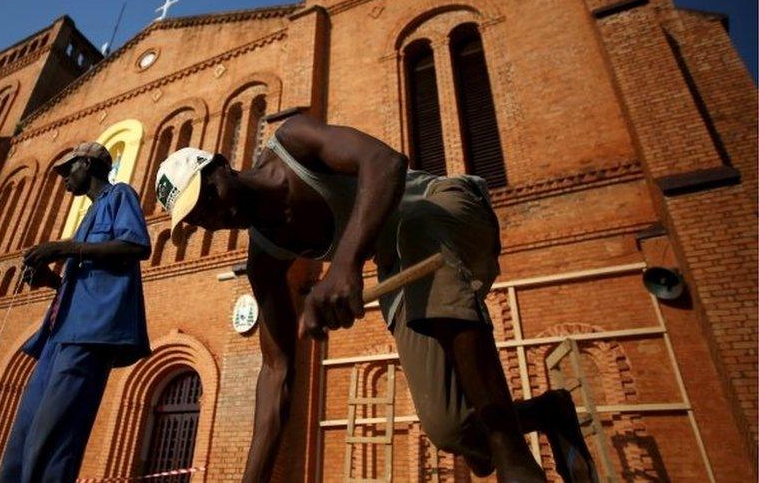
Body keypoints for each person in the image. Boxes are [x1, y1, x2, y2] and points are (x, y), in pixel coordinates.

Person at [155, 114, 597, 482]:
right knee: (452, 429)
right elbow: (275, 375)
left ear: (222, 165)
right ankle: (548, 413)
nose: (218, 213)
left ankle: (515, 462)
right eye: (202, 217)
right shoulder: (265, 262)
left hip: (446, 211)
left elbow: (385, 161)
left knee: (414, 229)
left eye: (210, 193)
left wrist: (344, 264)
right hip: (406, 270)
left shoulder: (292, 144)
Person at [0, 141, 151, 483]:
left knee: (55, 433)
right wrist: (50, 279)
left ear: (90, 164)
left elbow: (137, 245)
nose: (64, 177)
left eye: (70, 168)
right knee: (25, 431)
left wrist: (65, 247)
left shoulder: (119, 195)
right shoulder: (86, 218)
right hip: (58, 333)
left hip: (90, 332)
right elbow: (84, 281)